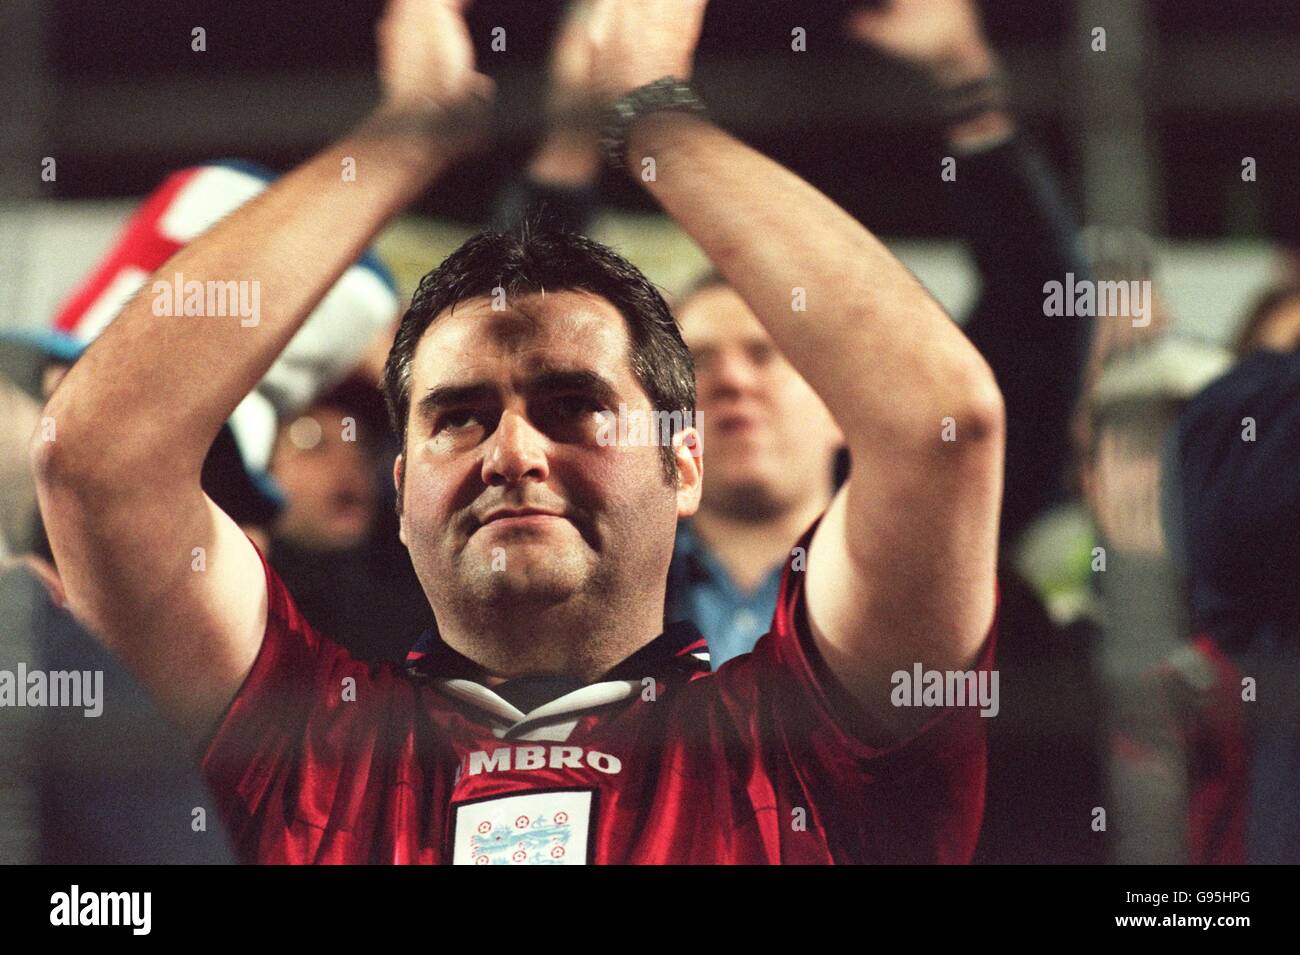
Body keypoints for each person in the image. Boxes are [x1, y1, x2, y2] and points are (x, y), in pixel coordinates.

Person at [32, 0, 1005, 864]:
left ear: (684, 461)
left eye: (574, 406)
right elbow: (96, 459)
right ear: (403, 488)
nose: (513, 452)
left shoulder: (802, 750)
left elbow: (940, 425)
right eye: (459, 418)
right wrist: (405, 138)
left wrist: (654, 118)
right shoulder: (297, 745)